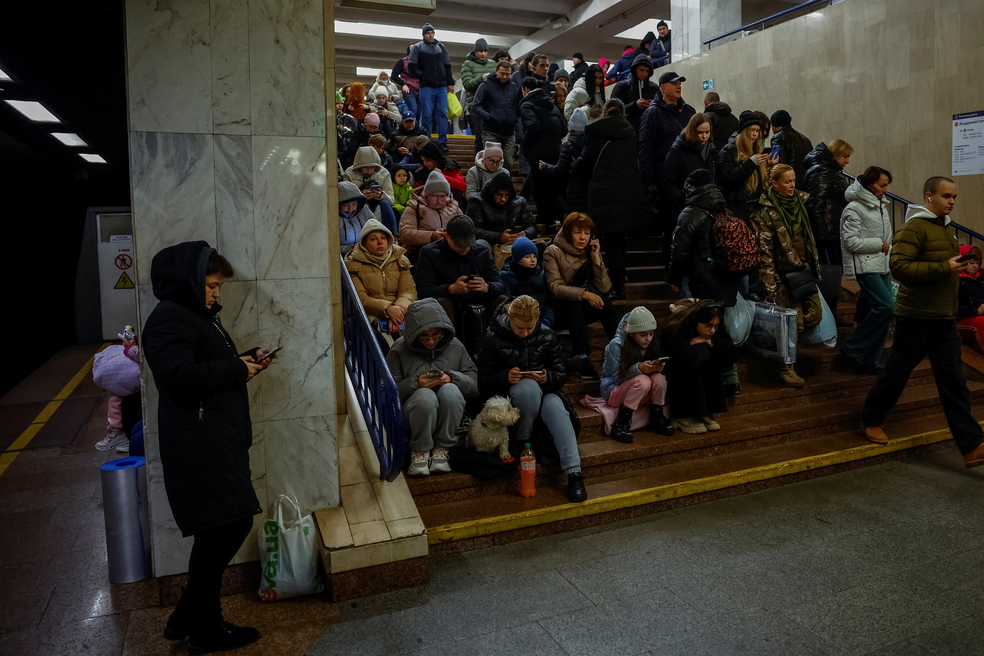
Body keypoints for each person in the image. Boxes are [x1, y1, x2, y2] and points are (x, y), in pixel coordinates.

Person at [143, 243, 275, 653]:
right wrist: (237, 367)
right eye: (212, 285)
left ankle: (189, 617)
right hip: (198, 442)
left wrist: (244, 360)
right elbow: (178, 377)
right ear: (188, 281)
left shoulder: (195, 316)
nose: (217, 293)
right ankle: (205, 628)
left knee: (223, 527)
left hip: (214, 436)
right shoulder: (167, 320)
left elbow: (205, 367)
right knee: (226, 526)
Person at [861, 177, 984, 466]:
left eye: (954, 196)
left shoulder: (947, 229)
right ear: (929, 196)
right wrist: (945, 266)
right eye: (945, 196)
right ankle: (871, 418)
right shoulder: (914, 227)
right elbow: (899, 267)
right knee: (896, 374)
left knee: (954, 382)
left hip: (942, 319)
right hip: (916, 318)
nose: (952, 201)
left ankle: (971, 446)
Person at [476, 296, 587, 502]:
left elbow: (561, 373)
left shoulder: (546, 334)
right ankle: (523, 440)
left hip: (546, 392)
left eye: (530, 327)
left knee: (556, 407)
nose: (525, 333)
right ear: (509, 318)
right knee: (527, 388)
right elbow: (482, 381)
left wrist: (547, 377)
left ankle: (574, 473)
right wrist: (504, 377)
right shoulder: (493, 338)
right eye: (520, 328)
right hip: (513, 401)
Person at [387, 299, 479, 476]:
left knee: (451, 391)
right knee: (425, 396)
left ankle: (442, 449)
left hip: (450, 417)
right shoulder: (398, 350)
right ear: (414, 334)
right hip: (411, 416)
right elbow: (386, 393)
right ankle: (419, 452)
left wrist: (452, 378)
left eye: (436, 335)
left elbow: (473, 386)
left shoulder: (456, 346)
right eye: (424, 336)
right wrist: (415, 384)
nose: (430, 342)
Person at [751, 164, 821, 387]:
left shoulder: (799, 203)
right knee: (790, 323)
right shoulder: (765, 212)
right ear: (774, 183)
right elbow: (765, 251)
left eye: (793, 180)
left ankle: (789, 352)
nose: (792, 185)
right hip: (781, 275)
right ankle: (786, 366)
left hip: (802, 271)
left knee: (814, 314)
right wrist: (769, 282)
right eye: (787, 181)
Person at [575, 98, 643, 300]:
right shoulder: (631, 133)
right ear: (623, 113)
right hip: (629, 193)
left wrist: (573, 166)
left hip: (605, 192)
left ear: (605, 112)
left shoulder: (596, 132)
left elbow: (585, 163)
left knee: (610, 241)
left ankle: (616, 285)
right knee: (619, 240)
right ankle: (620, 278)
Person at [543, 212, 617, 380]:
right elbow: (555, 287)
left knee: (604, 300)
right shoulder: (552, 252)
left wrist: (597, 259)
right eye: (578, 232)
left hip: (584, 306)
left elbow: (605, 288)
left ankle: (623, 345)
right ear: (569, 233)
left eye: (586, 233)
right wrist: (584, 294)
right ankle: (581, 359)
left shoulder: (589, 251)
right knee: (574, 305)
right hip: (560, 308)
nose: (583, 237)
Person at [840, 166, 894, 373]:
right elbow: (850, 242)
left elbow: (887, 238)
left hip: (882, 265)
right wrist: (879, 245)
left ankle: (870, 361)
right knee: (885, 307)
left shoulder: (881, 205)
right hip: (865, 266)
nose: (885, 190)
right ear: (870, 184)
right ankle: (853, 347)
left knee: (886, 312)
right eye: (882, 185)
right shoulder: (854, 208)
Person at [639, 71, 696, 262]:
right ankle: (669, 268)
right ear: (663, 88)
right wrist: (649, 180)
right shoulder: (652, 113)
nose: (679, 86)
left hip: (688, 178)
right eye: (674, 83)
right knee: (670, 226)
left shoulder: (689, 112)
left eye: (680, 83)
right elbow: (645, 147)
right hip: (665, 179)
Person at [661, 300, 738, 434]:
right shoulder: (678, 330)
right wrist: (705, 346)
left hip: (694, 366)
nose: (712, 330)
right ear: (696, 321)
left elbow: (732, 354)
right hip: (675, 378)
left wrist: (709, 342)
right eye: (708, 325)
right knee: (694, 365)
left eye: (715, 326)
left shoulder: (712, 333)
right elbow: (690, 360)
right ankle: (681, 416)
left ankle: (704, 411)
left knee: (714, 360)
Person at [600, 306, 675, 443]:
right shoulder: (616, 345)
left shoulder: (650, 343)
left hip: (637, 389)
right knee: (643, 380)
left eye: (651, 334)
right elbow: (617, 378)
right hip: (613, 391)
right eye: (643, 334)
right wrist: (639, 368)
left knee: (659, 378)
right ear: (631, 333)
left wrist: (654, 367)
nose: (648, 339)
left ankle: (657, 417)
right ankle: (622, 423)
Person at [413, 214, 505, 325]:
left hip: (479, 300)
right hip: (450, 303)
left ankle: (499, 339)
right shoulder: (429, 253)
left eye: (468, 244)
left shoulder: (482, 252)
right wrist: (450, 289)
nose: (464, 248)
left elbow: (499, 283)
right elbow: (423, 290)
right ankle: (448, 341)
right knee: (441, 303)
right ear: (446, 237)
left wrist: (487, 287)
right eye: (459, 244)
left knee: (502, 300)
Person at [668, 169, 740, 306]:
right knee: (720, 320)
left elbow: (680, 251)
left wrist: (674, 278)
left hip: (699, 279)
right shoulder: (726, 211)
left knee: (698, 318)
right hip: (727, 276)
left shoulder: (690, 214)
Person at [803, 139, 853, 317]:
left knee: (832, 274)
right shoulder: (823, 171)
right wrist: (822, 234)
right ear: (835, 155)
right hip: (828, 234)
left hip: (831, 231)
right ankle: (828, 315)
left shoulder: (826, 170)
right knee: (829, 274)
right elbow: (816, 204)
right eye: (845, 156)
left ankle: (830, 314)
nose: (847, 161)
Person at [344, 219, 417, 339]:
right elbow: (361, 299)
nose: (380, 242)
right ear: (364, 243)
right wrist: (388, 309)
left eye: (383, 237)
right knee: (375, 325)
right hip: (372, 313)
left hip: (400, 311)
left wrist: (398, 312)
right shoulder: (353, 264)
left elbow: (408, 292)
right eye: (373, 239)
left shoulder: (400, 259)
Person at [520, 78, 568, 229]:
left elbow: (533, 125)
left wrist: (525, 144)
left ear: (525, 90)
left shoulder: (527, 104)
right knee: (554, 191)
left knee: (539, 190)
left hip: (538, 154)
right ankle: (564, 220)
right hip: (556, 153)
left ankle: (549, 223)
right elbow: (564, 128)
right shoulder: (551, 105)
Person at [716, 110, 774, 221]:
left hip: (756, 206)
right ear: (744, 131)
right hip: (738, 208)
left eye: (757, 131)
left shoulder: (756, 150)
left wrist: (770, 167)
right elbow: (727, 179)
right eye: (752, 130)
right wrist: (751, 163)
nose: (755, 134)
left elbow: (762, 183)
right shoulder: (728, 151)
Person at [662, 112, 717, 227]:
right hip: (684, 210)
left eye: (707, 132)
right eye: (700, 133)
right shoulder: (677, 152)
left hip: (707, 209)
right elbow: (668, 182)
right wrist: (683, 198)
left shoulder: (711, 151)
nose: (704, 136)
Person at [409, 23, 455, 152]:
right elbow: (412, 66)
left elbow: (447, 65)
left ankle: (442, 142)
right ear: (424, 34)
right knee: (427, 115)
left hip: (441, 86)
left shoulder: (440, 47)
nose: (431, 35)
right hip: (427, 86)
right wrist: (422, 75)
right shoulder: (417, 47)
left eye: (432, 33)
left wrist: (450, 82)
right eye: (428, 33)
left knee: (442, 114)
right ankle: (427, 140)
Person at [398, 170, 462, 260]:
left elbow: (464, 228)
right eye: (434, 196)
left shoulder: (453, 206)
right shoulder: (415, 206)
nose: (439, 201)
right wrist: (431, 236)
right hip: (420, 251)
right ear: (427, 195)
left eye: (442, 196)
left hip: (449, 249)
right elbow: (405, 233)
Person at [466, 170, 536, 251]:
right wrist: (499, 237)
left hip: (514, 239)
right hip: (488, 240)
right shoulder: (477, 201)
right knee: (481, 246)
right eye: (499, 195)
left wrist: (525, 234)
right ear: (492, 193)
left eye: (506, 195)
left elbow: (531, 225)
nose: (503, 199)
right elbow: (474, 230)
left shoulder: (519, 202)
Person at [472, 61, 521, 170]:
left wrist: (518, 132)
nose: (505, 76)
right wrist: (489, 117)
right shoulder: (485, 85)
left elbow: (517, 110)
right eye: (502, 73)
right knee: (492, 162)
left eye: (507, 74)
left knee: (508, 162)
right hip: (490, 130)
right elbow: (475, 106)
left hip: (508, 132)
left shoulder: (513, 87)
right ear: (496, 71)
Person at [539, 109, 588, 214]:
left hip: (573, 187)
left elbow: (559, 169)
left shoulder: (568, 145)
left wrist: (544, 167)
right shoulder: (590, 144)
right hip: (588, 187)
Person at [342, 146, 398, 235]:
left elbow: (391, 200)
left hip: (379, 203)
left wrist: (381, 195)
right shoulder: (349, 173)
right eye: (366, 168)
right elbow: (345, 198)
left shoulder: (384, 173)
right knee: (363, 206)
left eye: (372, 167)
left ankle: (393, 236)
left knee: (385, 203)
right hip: (359, 204)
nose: (369, 171)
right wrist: (360, 196)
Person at [500, 237, 554, 327]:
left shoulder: (539, 274)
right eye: (527, 256)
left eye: (534, 256)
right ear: (517, 259)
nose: (532, 260)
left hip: (540, 316)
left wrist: (547, 320)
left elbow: (546, 300)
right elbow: (507, 302)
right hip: (519, 317)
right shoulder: (507, 276)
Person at [460, 38, 497, 152]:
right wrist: (481, 78)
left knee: (493, 134)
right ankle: (479, 162)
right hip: (475, 105)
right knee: (479, 135)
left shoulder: (493, 64)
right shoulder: (467, 64)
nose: (483, 54)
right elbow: (467, 84)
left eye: (485, 51)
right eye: (480, 51)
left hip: (492, 104)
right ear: (475, 51)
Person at [610, 53, 658, 132]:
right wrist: (635, 105)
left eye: (647, 71)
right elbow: (613, 110)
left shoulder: (654, 88)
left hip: (649, 133)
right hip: (626, 132)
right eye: (641, 70)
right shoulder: (622, 86)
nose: (644, 74)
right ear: (635, 70)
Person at [769, 110, 813, 188]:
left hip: (787, 184)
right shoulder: (805, 139)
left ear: (774, 125)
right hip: (805, 184)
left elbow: (779, 166)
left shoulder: (778, 137)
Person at [957, 246, 984, 353]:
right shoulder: (956, 280)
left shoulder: (980, 278)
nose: (975, 267)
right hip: (960, 319)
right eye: (972, 263)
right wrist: (976, 311)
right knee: (981, 322)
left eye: (977, 263)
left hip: (977, 314)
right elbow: (954, 308)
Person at [338, 181, 378, 254]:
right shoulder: (332, 217)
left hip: (366, 251)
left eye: (354, 204)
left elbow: (375, 226)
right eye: (346, 205)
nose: (350, 209)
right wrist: (349, 248)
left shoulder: (363, 209)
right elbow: (328, 247)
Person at [391, 45, 420, 115]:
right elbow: (394, 75)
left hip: (420, 90)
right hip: (409, 90)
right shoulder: (402, 62)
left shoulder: (421, 63)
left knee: (420, 112)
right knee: (414, 109)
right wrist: (403, 84)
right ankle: (411, 125)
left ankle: (416, 125)